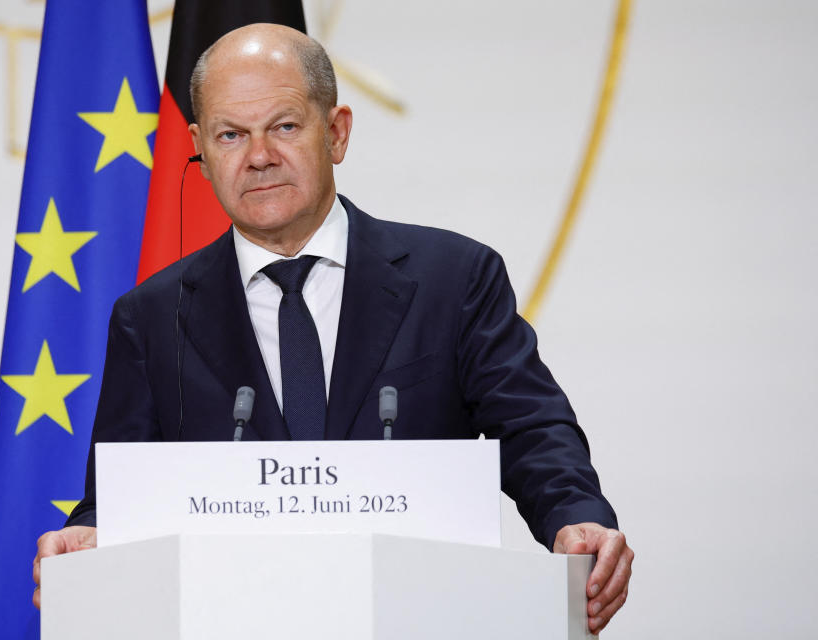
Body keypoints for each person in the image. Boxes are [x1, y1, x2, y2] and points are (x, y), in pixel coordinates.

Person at [33, 23, 633, 633]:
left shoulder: (453, 279)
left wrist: (574, 514)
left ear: (337, 132)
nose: (259, 156)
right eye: (231, 135)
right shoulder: (152, 317)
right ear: (201, 151)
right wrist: (88, 537)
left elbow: (531, 426)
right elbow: (118, 495)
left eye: (285, 126)